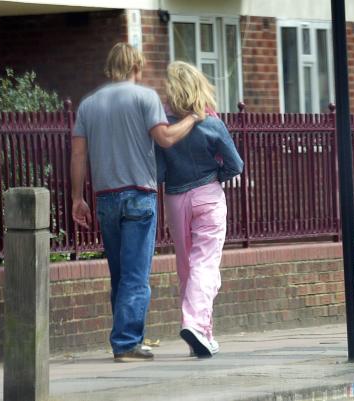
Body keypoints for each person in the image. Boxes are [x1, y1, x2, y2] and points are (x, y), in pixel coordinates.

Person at [70, 43, 201, 363]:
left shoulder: (88, 104)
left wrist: (77, 197)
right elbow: (166, 138)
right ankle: (127, 342)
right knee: (136, 274)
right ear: (136, 67)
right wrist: (193, 119)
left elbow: (77, 154)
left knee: (119, 272)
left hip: (105, 198)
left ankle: (122, 339)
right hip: (139, 196)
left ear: (110, 67)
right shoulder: (145, 98)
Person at [157, 61, 244, 358]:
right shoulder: (212, 123)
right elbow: (236, 165)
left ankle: (203, 334)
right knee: (205, 265)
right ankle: (195, 325)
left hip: (175, 197)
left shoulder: (164, 128)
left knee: (187, 268)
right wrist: (216, 176)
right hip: (208, 195)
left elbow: (157, 170)